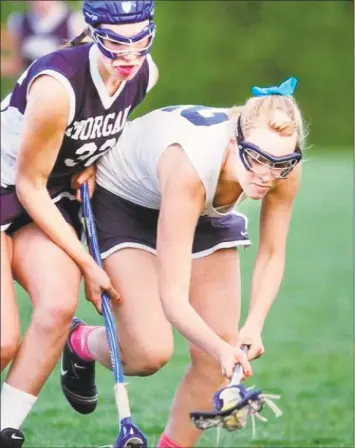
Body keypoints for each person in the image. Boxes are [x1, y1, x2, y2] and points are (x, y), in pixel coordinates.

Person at [60, 77, 305, 447]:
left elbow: (272, 252)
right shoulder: (191, 164)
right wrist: (222, 347)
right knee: (148, 353)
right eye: (257, 159)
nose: (267, 175)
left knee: (215, 362)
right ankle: (79, 342)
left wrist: (251, 327)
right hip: (127, 201)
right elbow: (173, 298)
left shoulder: (281, 167)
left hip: (209, 206)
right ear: (234, 141)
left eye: (280, 164)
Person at [0, 1, 158, 446]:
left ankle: (4, 427)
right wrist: (90, 264)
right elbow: (27, 185)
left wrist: (95, 159)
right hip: (16, 188)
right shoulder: (56, 86)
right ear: (93, 33)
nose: (129, 56)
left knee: (55, 308)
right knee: (2, 339)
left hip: (46, 199)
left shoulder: (144, 75)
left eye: (141, 40)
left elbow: (108, 128)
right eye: (116, 43)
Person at [1, 1, 85, 77]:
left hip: (61, 86)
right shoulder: (19, 21)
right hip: (29, 86)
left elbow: (82, 64)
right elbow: (17, 64)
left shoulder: (74, 21)